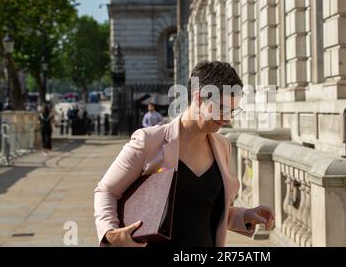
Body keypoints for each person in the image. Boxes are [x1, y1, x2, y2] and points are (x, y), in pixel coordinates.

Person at [94, 61, 275, 247]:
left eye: (233, 111)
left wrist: (245, 215)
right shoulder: (149, 141)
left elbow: (207, 209)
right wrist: (110, 233)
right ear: (198, 99)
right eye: (222, 108)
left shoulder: (222, 146)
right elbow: (107, 191)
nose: (227, 118)